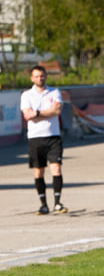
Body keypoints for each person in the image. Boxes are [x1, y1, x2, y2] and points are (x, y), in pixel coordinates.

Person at [20, 65, 67, 215]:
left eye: (42, 75)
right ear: (32, 78)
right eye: (36, 76)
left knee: (56, 168)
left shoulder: (54, 92)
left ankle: (58, 203)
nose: (40, 78)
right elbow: (27, 115)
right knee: (38, 172)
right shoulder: (27, 95)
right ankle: (43, 204)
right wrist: (49, 112)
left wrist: (38, 113)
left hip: (53, 136)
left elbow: (57, 111)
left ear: (46, 76)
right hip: (35, 138)